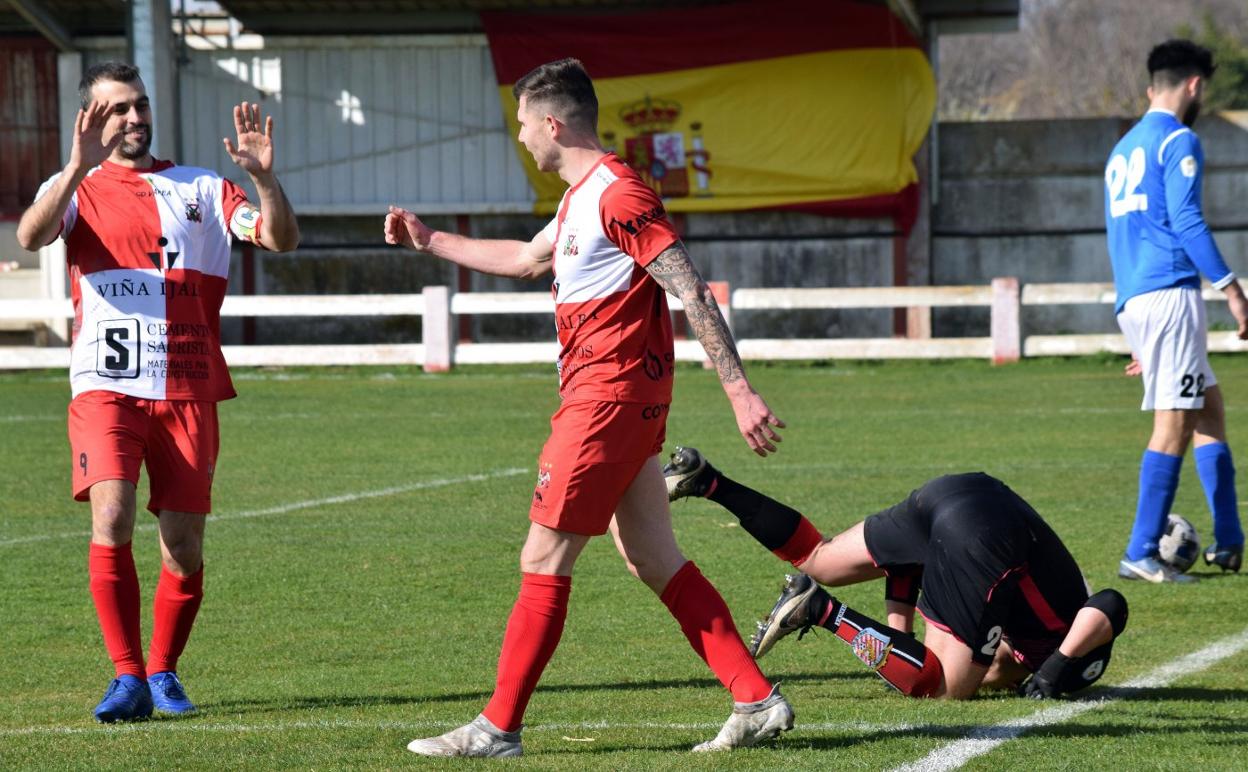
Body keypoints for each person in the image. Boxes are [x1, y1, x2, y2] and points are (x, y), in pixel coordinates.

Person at [384, 58, 790, 757]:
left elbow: (689, 286)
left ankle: (497, 727)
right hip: (620, 400)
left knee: (543, 554)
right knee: (653, 557)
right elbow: (526, 259)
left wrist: (739, 390)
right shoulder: (579, 200)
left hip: (607, 399)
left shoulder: (615, 193)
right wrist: (431, 241)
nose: (520, 138)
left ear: (552, 123)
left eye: (522, 125)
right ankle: (755, 699)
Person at [16, 62, 299, 722]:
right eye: (117, 109)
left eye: (139, 106)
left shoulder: (202, 186)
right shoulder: (77, 191)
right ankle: (126, 677)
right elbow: (31, 236)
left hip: (188, 388)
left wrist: (262, 178)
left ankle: (164, 670)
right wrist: (74, 166)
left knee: (185, 547)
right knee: (111, 517)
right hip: (105, 387)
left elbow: (281, 238)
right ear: (91, 119)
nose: (134, 117)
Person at [664, 448, 1129, 700]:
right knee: (945, 689)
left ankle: (709, 482)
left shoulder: (1011, 622)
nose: (995, 681)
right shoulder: (1054, 645)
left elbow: (911, 563)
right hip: (983, 533)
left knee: (820, 558)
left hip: (958, 491)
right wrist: (1052, 674)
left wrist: (896, 635)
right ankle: (821, 609)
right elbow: (1110, 604)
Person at [1104, 39, 1247, 583]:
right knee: (1178, 420)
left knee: (1208, 405)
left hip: (1137, 296)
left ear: (1151, 87)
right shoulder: (1179, 139)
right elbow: (1187, 221)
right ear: (1193, 85)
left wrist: (1137, 326)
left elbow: (1122, 235)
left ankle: (1230, 540)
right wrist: (1232, 289)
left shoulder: (1123, 150)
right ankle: (1141, 549)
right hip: (1169, 292)